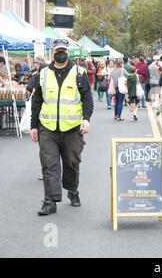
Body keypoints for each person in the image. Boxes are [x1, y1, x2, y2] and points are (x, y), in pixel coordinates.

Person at [30, 39, 94, 216]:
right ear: (53, 52)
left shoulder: (79, 73)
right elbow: (37, 101)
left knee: (71, 162)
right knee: (49, 163)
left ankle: (72, 190)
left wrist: (86, 119)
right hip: (47, 127)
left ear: (68, 52)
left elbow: (87, 99)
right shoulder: (43, 73)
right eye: (58, 50)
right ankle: (50, 201)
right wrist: (33, 126)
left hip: (72, 128)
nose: (61, 53)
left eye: (64, 50)